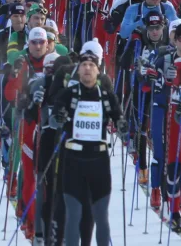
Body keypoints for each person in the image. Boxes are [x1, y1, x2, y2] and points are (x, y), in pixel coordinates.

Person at [49, 40, 121, 246]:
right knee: (74, 214)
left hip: (98, 160)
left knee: (99, 215)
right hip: (73, 159)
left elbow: (119, 119)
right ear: (78, 69)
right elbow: (54, 116)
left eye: (92, 65)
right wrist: (59, 118)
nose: (88, 69)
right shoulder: (68, 94)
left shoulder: (106, 95)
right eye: (84, 65)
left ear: (98, 70)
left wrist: (123, 127)